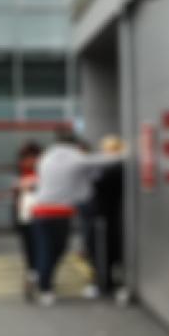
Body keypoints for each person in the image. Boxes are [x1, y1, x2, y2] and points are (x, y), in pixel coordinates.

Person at [27, 132, 116, 307]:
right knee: (56, 249)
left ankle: (39, 278)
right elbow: (102, 161)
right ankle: (44, 287)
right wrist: (128, 153)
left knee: (45, 248)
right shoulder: (73, 157)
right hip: (59, 212)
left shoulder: (45, 158)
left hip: (39, 210)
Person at [80, 136, 128, 302]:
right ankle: (104, 281)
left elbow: (99, 188)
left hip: (104, 217)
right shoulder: (110, 169)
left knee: (102, 250)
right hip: (104, 216)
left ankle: (104, 284)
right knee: (100, 250)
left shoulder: (114, 169)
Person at [13, 141, 42, 298]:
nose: (28, 161)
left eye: (32, 157)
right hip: (26, 215)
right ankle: (32, 274)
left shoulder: (43, 174)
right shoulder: (21, 174)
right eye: (26, 158)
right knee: (29, 247)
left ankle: (37, 274)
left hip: (40, 213)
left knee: (39, 246)